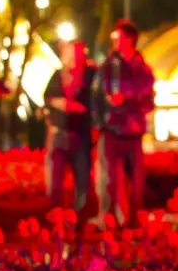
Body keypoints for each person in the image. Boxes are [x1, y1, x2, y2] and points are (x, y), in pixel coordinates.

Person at [95, 19, 155, 225]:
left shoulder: (143, 70)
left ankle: (133, 221)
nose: (114, 41)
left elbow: (148, 100)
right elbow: (98, 94)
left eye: (118, 37)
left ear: (130, 40)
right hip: (110, 128)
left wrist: (126, 98)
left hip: (133, 131)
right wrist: (100, 119)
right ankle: (108, 219)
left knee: (136, 181)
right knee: (108, 179)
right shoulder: (108, 66)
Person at [43, 37, 96, 217]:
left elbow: (95, 102)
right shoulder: (58, 76)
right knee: (55, 182)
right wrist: (64, 105)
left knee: (82, 181)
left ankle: (79, 219)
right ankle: (55, 217)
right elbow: (47, 98)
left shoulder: (90, 76)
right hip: (59, 134)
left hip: (80, 135)